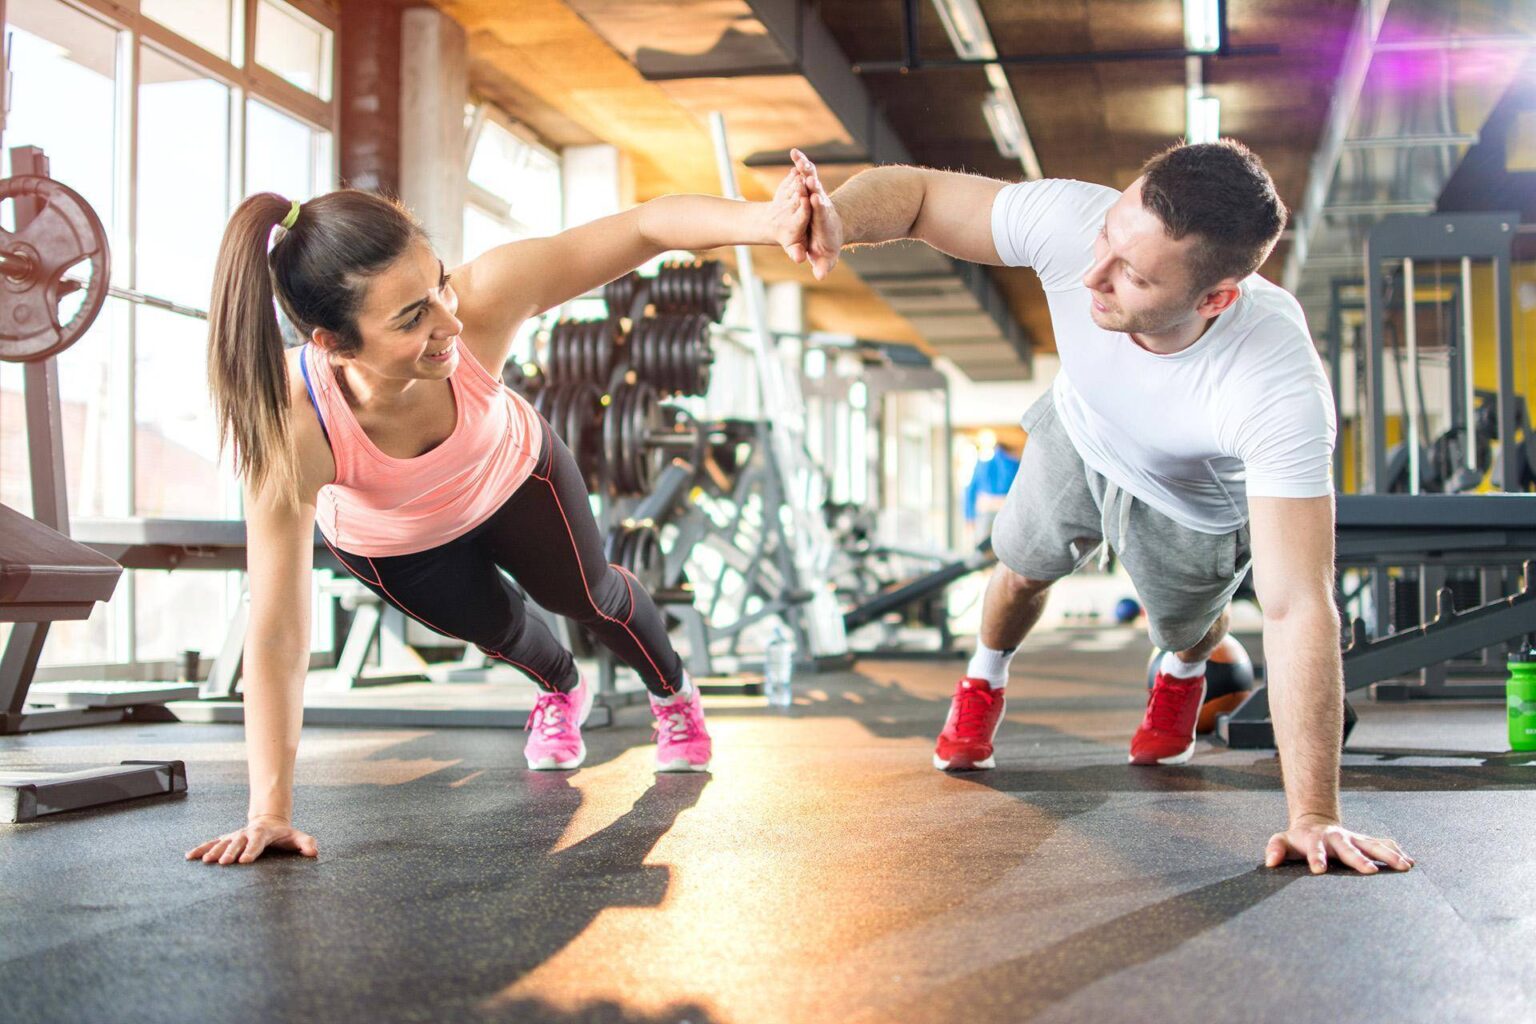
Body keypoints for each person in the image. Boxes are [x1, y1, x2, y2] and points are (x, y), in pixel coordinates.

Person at [788, 142, 1413, 876]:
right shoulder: (1072, 221)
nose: (1092, 276)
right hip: (1078, 433)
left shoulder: (1274, 383)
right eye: (1109, 237)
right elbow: (922, 196)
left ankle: (1182, 673)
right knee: (1018, 569)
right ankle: (983, 681)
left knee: (1184, 628)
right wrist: (839, 216)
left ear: (1215, 298)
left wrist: (1315, 816)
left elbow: (1297, 604)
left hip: (1187, 502)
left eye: (1135, 276)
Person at [188, 171, 814, 865]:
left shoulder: (482, 302)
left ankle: (674, 694)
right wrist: (268, 812)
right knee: (503, 628)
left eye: (439, 284)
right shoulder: (292, 422)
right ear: (333, 342)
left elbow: (647, 226)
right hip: (395, 538)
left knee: (588, 599)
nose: (448, 323)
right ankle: (559, 689)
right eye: (410, 318)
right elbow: (275, 629)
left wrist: (769, 221)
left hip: (514, 472)